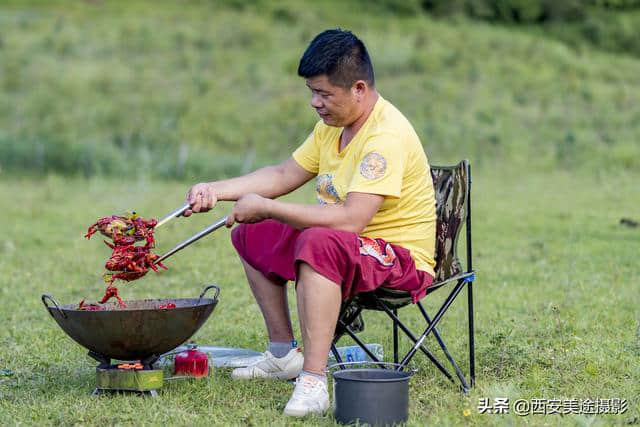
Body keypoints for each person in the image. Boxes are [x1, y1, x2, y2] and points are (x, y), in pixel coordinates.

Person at [184, 28, 437, 417]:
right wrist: (216, 190)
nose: (314, 103)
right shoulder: (332, 127)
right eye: (311, 92)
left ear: (358, 88)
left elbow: (351, 221)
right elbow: (284, 174)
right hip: (349, 248)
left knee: (317, 243)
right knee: (254, 232)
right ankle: (284, 354)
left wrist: (269, 207)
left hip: (398, 260)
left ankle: (314, 382)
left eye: (323, 94)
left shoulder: (384, 136)